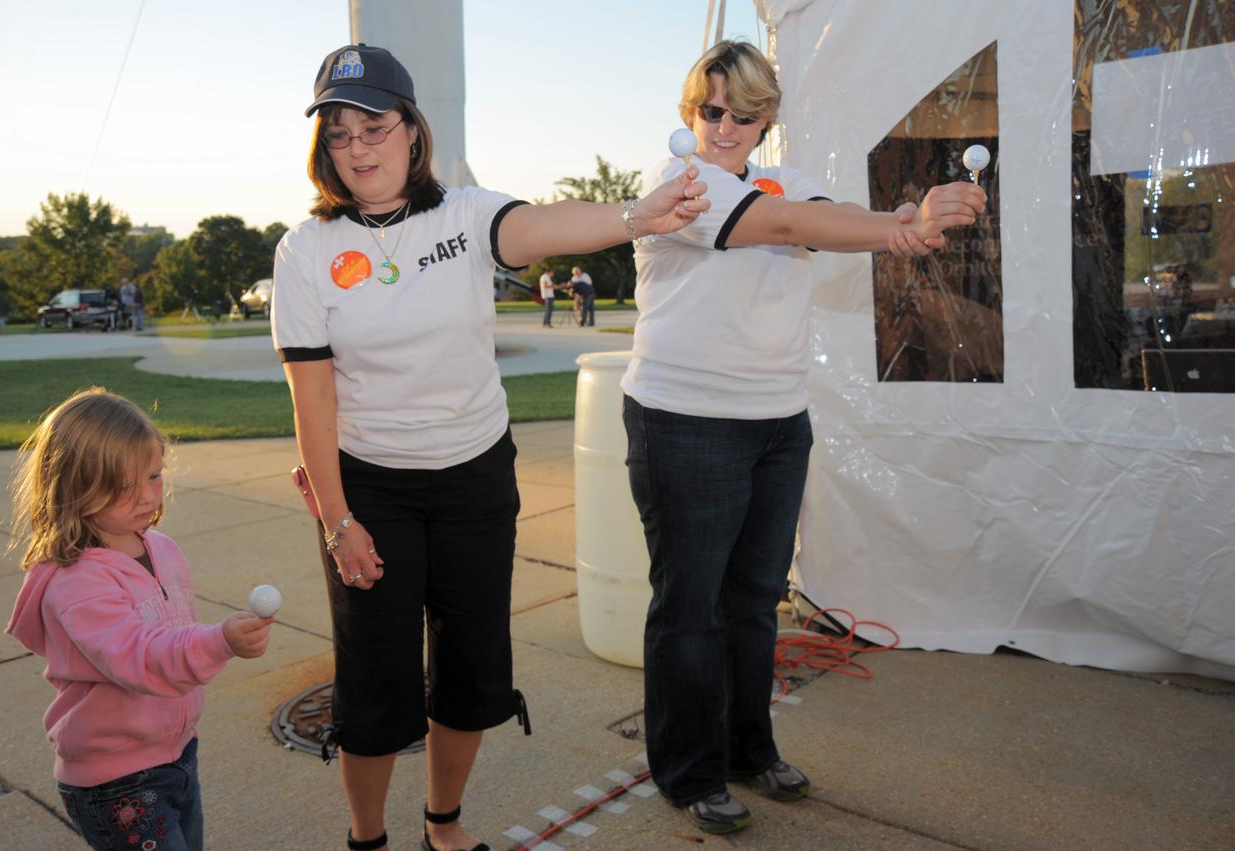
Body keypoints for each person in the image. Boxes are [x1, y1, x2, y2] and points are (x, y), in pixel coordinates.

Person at [271, 44, 708, 851]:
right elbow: (314, 398)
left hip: (475, 478)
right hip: (373, 488)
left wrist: (635, 216)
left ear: (411, 130)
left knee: (472, 674)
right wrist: (339, 521)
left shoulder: (465, 215)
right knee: (375, 681)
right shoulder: (307, 251)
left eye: (375, 125)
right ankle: (367, 838)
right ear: (324, 147)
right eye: (340, 132)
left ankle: (444, 824)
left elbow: (539, 226)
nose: (359, 147)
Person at [621, 40, 986, 835]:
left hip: (778, 420)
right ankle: (689, 770)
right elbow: (782, 223)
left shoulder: (782, 179)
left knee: (753, 601)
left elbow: (829, 218)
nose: (724, 126)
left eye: (744, 114)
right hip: (685, 421)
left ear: (765, 120)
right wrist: (903, 229)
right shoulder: (681, 185)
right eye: (711, 110)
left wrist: (905, 224)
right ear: (691, 113)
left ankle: (749, 749)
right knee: (692, 607)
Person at [5, 388, 274, 851]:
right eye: (126, 486)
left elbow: (168, 633)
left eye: (153, 475)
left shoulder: (161, 549)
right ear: (75, 486)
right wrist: (220, 641)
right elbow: (141, 657)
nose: (150, 495)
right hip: (116, 780)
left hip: (178, 754)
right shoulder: (77, 582)